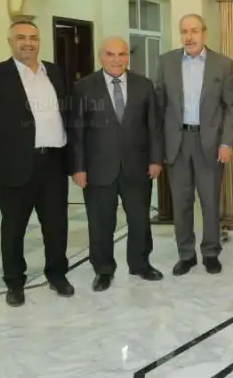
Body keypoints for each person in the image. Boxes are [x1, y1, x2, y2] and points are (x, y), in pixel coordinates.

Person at [0, 19, 74, 306]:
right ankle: (14, 283)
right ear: (10, 42)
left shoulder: (53, 71)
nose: (28, 43)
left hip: (53, 162)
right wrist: (8, 146)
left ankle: (57, 274)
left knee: (56, 225)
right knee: (14, 228)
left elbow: (65, 111)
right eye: (21, 38)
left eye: (33, 38)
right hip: (14, 166)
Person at [69, 37, 164, 291]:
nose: (117, 59)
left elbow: (154, 126)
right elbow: (77, 131)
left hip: (137, 166)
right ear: (101, 57)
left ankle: (140, 264)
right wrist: (78, 167)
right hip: (98, 169)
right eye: (110, 54)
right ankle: (103, 270)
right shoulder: (83, 87)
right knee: (101, 223)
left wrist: (156, 159)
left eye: (122, 54)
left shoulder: (144, 85)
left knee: (140, 219)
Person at [155, 14, 233, 276]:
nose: (188, 37)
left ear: (204, 33)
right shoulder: (166, 62)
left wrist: (226, 142)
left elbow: (231, 107)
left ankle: (211, 252)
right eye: (184, 31)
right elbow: (159, 107)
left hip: (210, 143)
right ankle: (186, 254)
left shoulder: (222, 64)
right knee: (181, 202)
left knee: (210, 202)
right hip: (177, 143)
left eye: (194, 31)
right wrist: (159, 146)